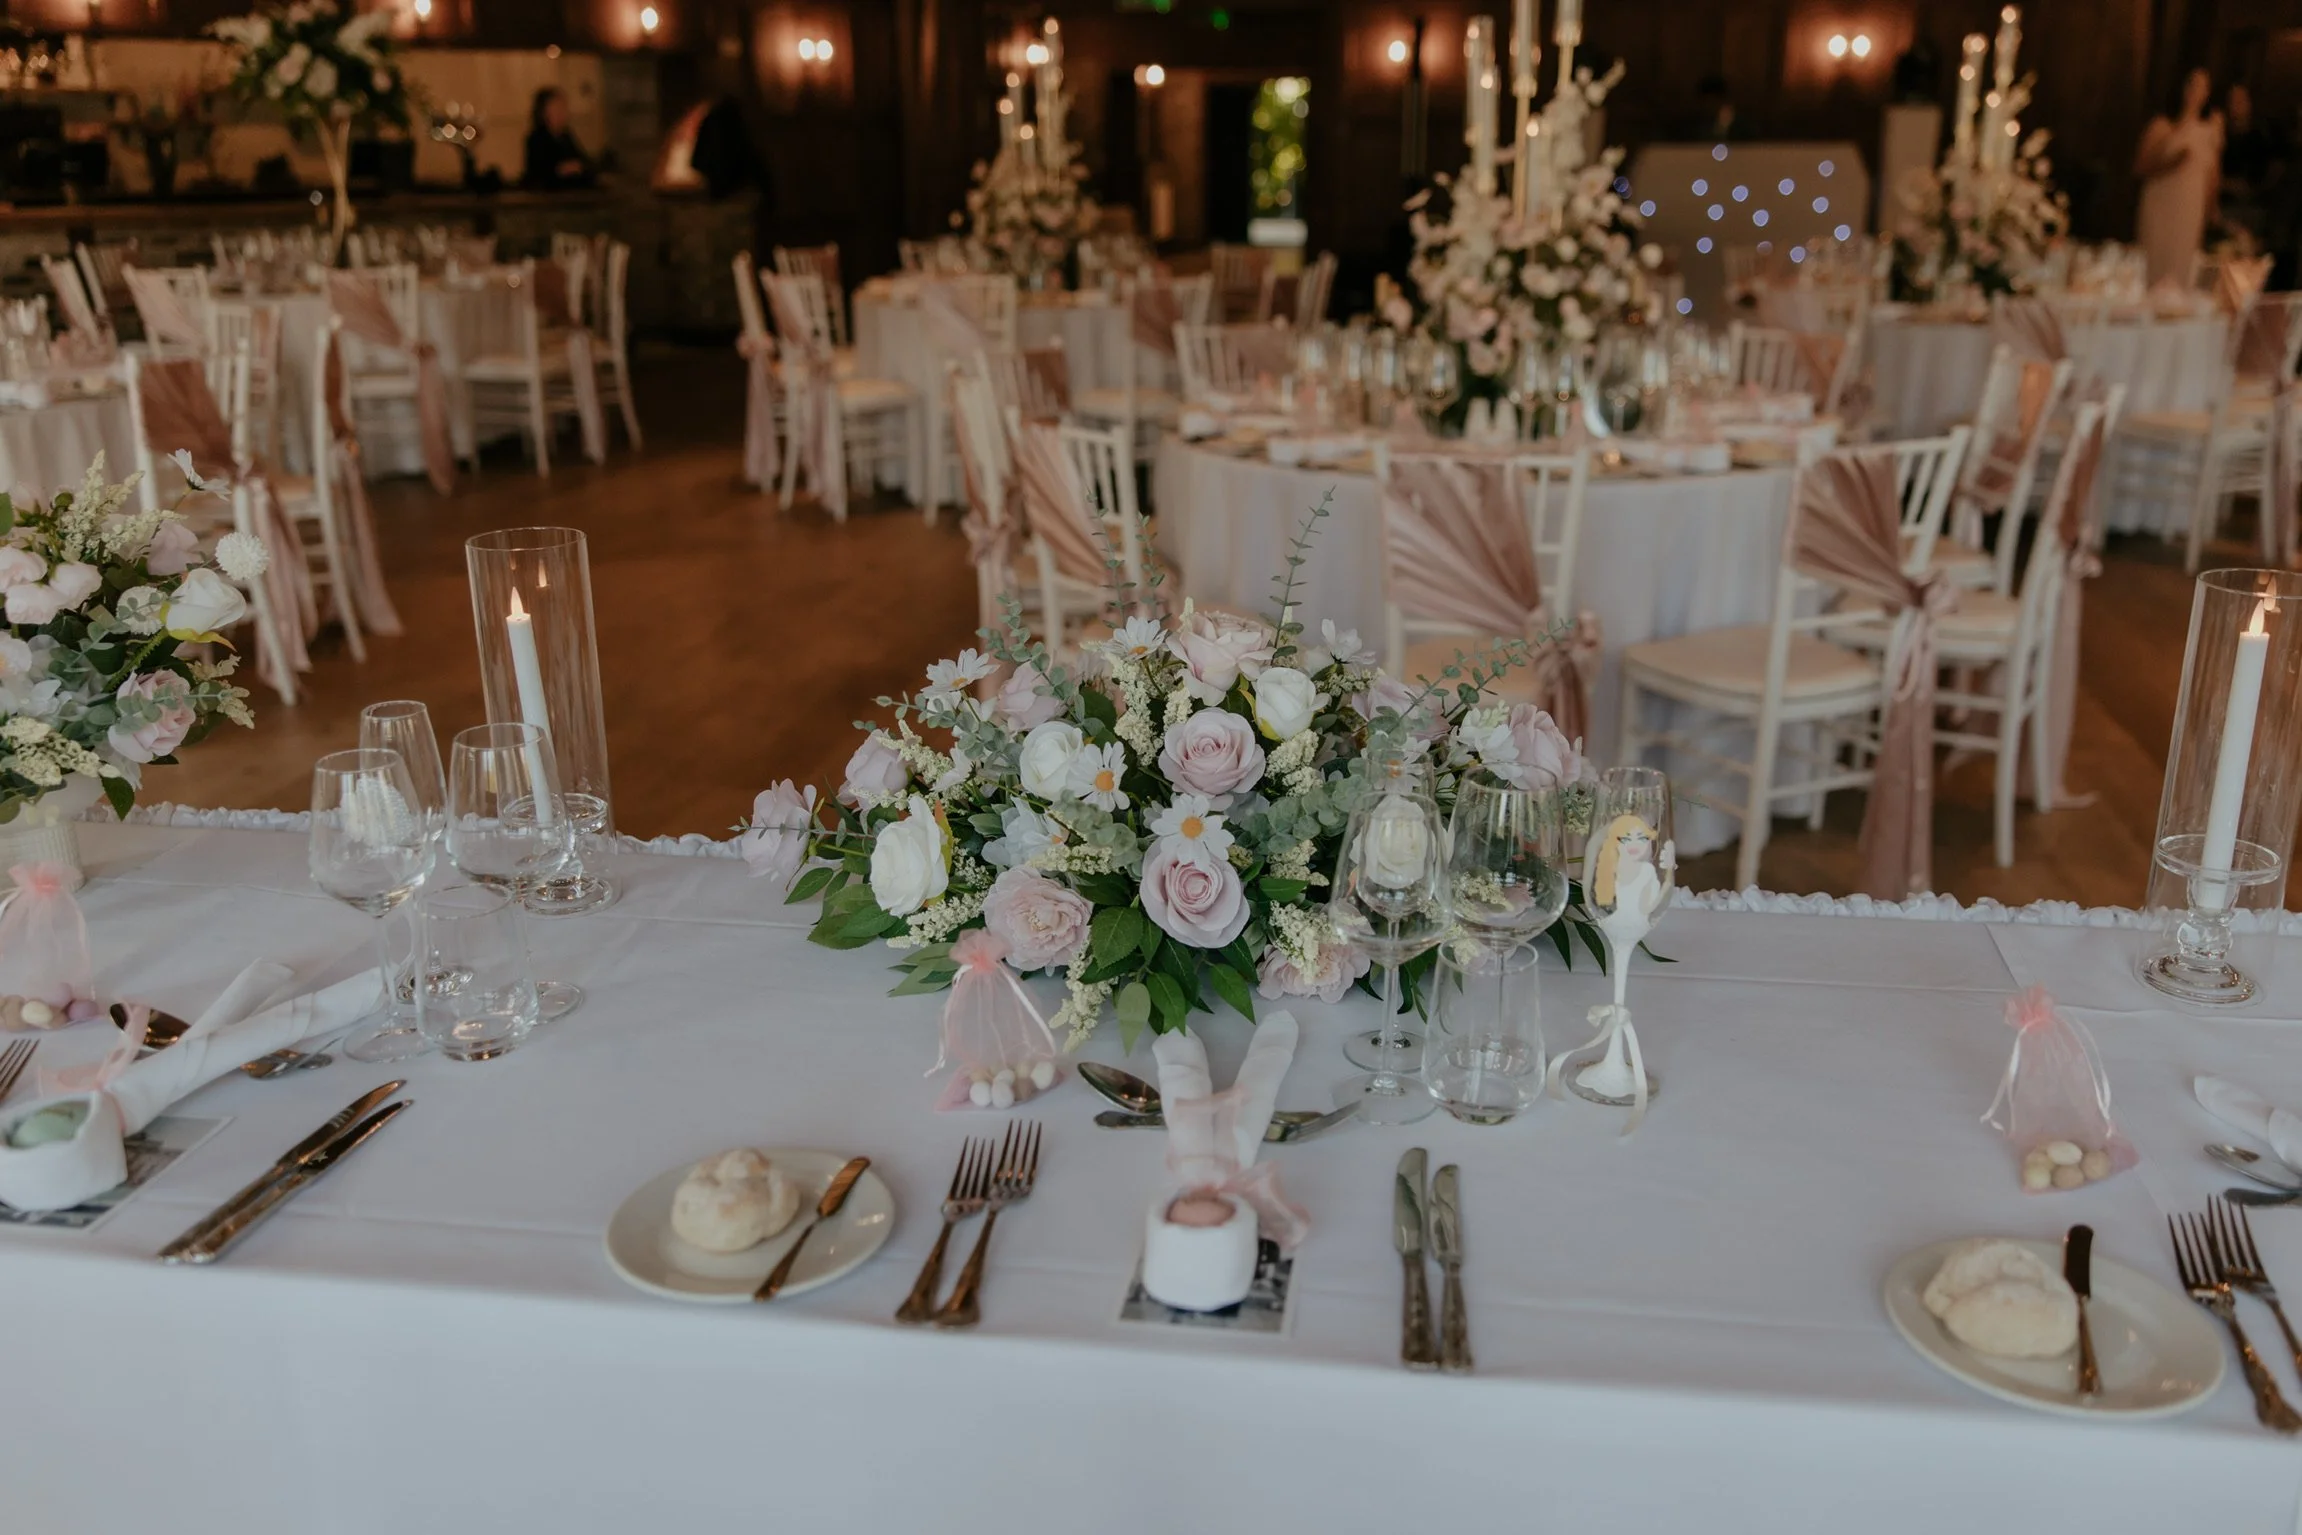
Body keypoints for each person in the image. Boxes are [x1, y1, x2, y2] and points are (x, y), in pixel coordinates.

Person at [2135, 67, 2222, 285]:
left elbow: (2212, 176)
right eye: (2192, 85)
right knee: (2154, 261)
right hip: (2162, 203)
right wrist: (2171, 163)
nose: (2197, 92)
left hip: (2190, 206)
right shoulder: (2162, 125)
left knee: (2181, 264)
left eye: (2203, 87)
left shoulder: (2210, 131)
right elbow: (2141, 166)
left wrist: (2211, 210)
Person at [522, 88, 594, 191]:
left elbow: (582, 160)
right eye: (557, 108)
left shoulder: (566, 136)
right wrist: (560, 170)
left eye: (563, 108)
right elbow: (538, 173)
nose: (563, 113)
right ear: (544, 112)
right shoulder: (536, 139)